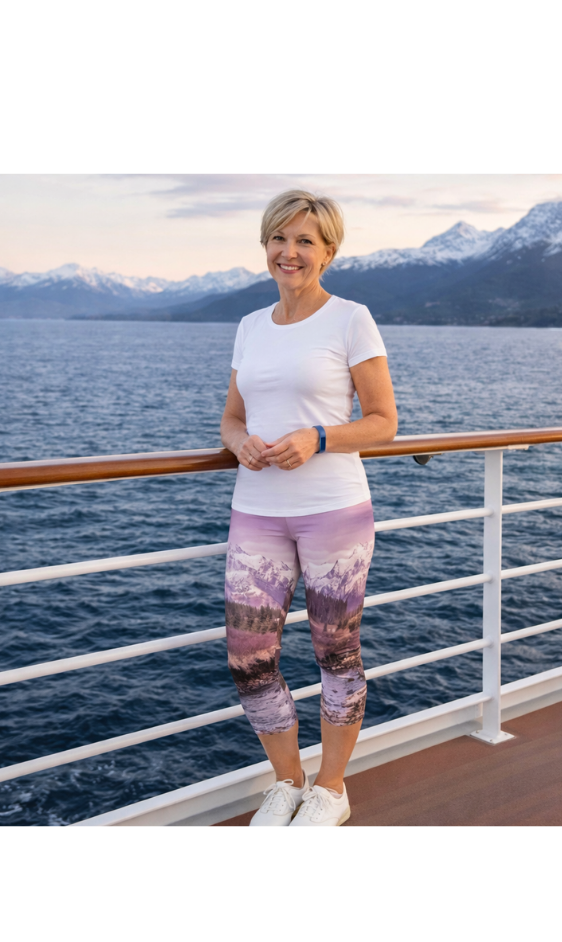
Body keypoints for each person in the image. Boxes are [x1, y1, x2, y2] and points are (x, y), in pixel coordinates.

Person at [220, 190, 398, 827]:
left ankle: (331, 789)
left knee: (336, 653)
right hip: (257, 510)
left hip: (333, 509)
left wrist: (317, 437)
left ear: (328, 252)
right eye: (279, 239)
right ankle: (286, 782)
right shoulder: (249, 326)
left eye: (305, 242)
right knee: (249, 657)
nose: (289, 252)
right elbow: (233, 416)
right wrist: (239, 441)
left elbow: (383, 423)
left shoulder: (351, 318)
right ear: (265, 245)